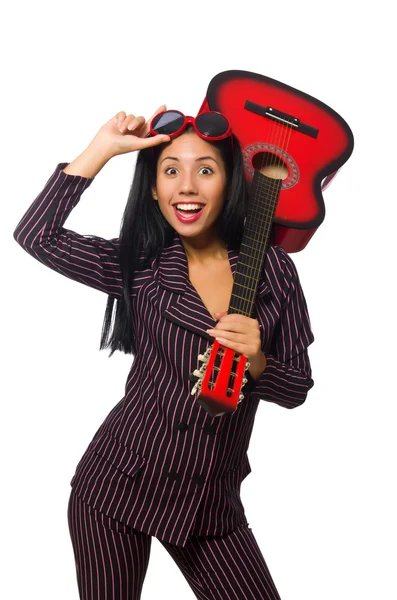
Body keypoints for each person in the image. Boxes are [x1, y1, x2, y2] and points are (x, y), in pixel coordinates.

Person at [13, 104, 315, 600]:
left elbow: (298, 387)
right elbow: (37, 236)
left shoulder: (273, 270)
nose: (187, 187)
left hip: (210, 505)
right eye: (170, 171)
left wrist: (258, 363)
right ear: (154, 189)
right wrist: (104, 147)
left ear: (231, 182)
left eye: (206, 170)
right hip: (116, 486)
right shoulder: (139, 266)